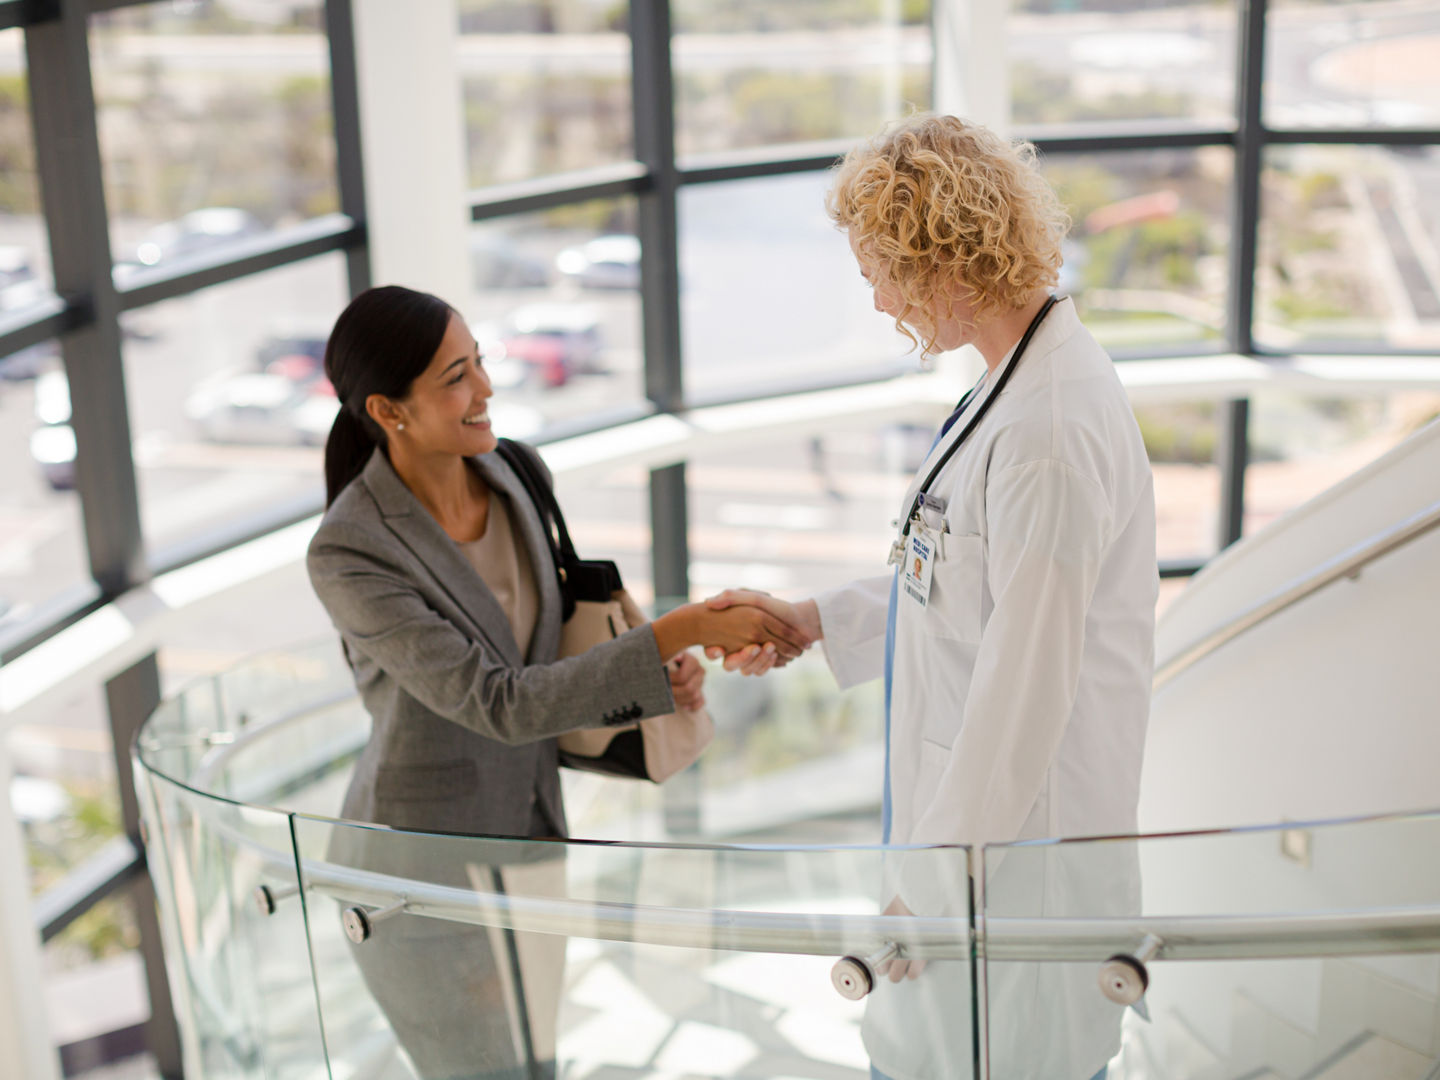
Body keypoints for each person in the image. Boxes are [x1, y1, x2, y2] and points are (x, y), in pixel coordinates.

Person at [709, 114, 1158, 1079]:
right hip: (975, 848)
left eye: (879, 269)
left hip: (1012, 868)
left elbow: (1024, 689)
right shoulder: (1016, 383)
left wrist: (930, 885)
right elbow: (960, 580)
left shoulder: (1047, 430)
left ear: (942, 262)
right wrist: (816, 620)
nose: (876, 299)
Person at [306, 284, 810, 1079]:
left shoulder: (512, 470)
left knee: (536, 1063)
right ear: (389, 410)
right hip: (419, 874)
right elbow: (499, 702)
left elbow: (544, 655)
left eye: (478, 362)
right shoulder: (351, 552)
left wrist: (653, 676)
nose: (485, 390)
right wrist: (675, 631)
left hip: (533, 837)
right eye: (454, 377)